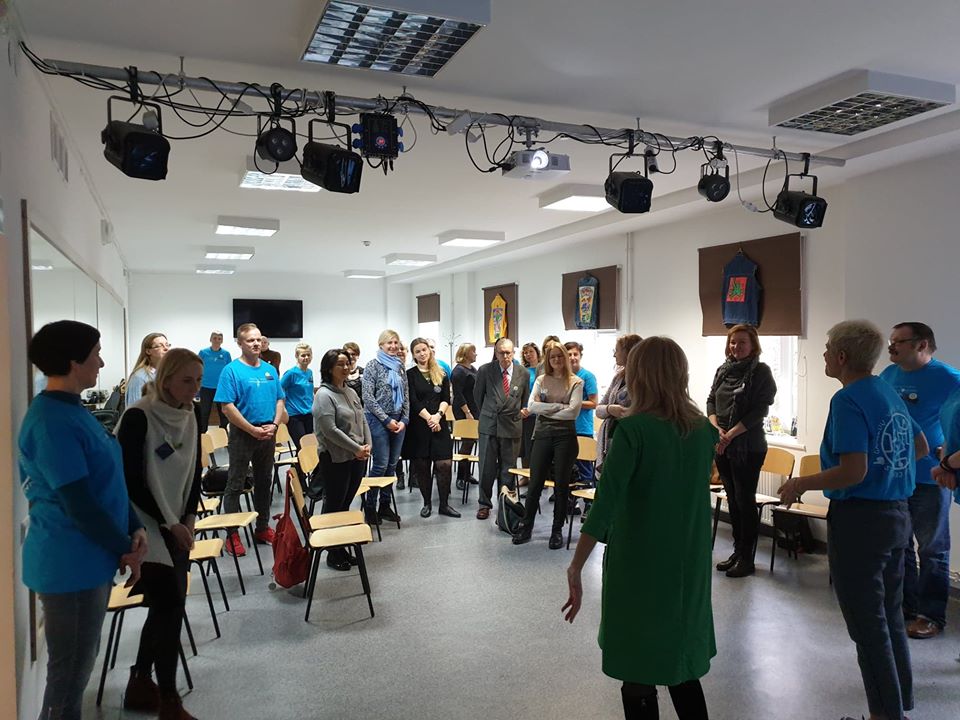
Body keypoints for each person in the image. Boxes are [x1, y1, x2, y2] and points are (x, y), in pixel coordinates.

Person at [563, 337, 718, 720]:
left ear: (640, 375)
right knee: (680, 660)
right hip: (688, 561)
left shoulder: (634, 431)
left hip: (640, 563)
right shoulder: (702, 430)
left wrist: (576, 566)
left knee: (638, 665)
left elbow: (605, 505)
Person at [778, 320, 924, 720]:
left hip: (861, 522)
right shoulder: (886, 391)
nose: (823, 355)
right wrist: (889, 472)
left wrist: (800, 483)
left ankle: (885, 715)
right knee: (890, 617)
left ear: (842, 356)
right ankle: (898, 705)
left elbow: (853, 471)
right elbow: (921, 445)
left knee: (867, 625)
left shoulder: (847, 400)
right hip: (897, 515)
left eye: (827, 349)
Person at [19, 320, 147, 720]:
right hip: (69, 562)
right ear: (74, 362)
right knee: (69, 674)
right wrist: (125, 546)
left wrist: (134, 525)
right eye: (96, 355)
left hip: (90, 557)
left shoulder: (74, 410)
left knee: (79, 664)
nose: (101, 363)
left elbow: (108, 480)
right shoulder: (50, 421)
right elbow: (79, 503)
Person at [116, 348, 203, 720]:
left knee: (167, 607)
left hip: (177, 524)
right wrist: (169, 523)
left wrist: (189, 517)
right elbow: (131, 481)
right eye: (187, 380)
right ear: (166, 380)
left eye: (198, 380)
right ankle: (169, 699)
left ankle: (140, 681)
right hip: (145, 526)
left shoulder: (192, 413)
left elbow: (195, 470)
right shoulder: (139, 417)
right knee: (170, 607)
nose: (195, 388)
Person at [878, 322, 960, 640]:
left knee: (932, 548)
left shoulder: (949, 379)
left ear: (922, 344)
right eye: (891, 340)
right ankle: (906, 608)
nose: (891, 347)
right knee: (899, 545)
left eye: (899, 341)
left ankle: (931, 616)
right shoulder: (888, 375)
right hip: (897, 476)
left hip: (931, 477)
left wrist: (949, 457)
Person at [705, 324, 776, 578]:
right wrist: (716, 430)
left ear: (753, 345)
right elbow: (711, 401)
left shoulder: (761, 372)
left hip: (748, 447)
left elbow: (760, 411)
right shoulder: (723, 370)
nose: (736, 347)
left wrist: (731, 434)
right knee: (733, 500)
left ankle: (747, 558)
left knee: (745, 502)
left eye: (742, 342)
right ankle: (737, 551)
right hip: (722, 445)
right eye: (733, 342)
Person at [214, 323, 286, 556]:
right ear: (239, 343)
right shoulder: (231, 371)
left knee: (264, 482)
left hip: (268, 432)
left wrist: (274, 425)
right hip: (243, 434)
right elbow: (227, 407)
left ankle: (262, 528)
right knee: (235, 483)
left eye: (258, 339)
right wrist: (251, 430)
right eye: (250, 340)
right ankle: (232, 534)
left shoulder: (270, 370)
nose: (256, 344)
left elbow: (279, 400)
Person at [514, 343, 584, 548]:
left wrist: (545, 410)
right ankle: (526, 527)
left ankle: (556, 530)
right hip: (542, 435)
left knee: (561, 485)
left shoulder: (576, 382)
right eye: (552, 357)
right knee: (535, 483)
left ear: (565, 358)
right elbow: (531, 406)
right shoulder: (541, 379)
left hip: (565, 437)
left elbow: (573, 413)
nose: (556, 360)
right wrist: (558, 406)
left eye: (560, 356)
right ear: (548, 359)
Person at [312, 349, 372, 570]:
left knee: (345, 503)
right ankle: (332, 551)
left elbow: (362, 419)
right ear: (329, 368)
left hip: (357, 456)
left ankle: (341, 547)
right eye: (340, 364)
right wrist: (357, 448)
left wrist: (368, 445)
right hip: (336, 458)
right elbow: (330, 430)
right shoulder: (324, 395)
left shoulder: (350, 391)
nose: (346, 368)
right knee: (334, 504)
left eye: (347, 363)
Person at [403, 338, 461, 519]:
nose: (422, 353)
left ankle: (444, 505)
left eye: (424, 349)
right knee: (422, 466)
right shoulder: (410, 375)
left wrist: (438, 416)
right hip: (419, 426)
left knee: (444, 464)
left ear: (429, 350)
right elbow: (413, 400)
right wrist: (429, 418)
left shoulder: (441, 373)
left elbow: (446, 398)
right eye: (418, 351)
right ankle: (427, 503)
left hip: (439, 424)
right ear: (413, 355)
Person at [473, 338, 531, 520]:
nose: (505, 356)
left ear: (513, 353)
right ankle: (484, 504)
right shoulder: (485, 370)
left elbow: (525, 399)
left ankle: (506, 504)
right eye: (501, 352)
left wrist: (523, 411)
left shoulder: (523, 373)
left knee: (509, 468)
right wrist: (488, 414)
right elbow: (477, 397)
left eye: (508, 352)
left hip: (512, 425)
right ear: (496, 353)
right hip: (489, 425)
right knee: (486, 467)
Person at [361, 329, 410, 525]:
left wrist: (404, 419)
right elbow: (368, 398)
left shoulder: (400, 366)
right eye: (389, 342)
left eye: (396, 342)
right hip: (377, 419)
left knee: (392, 464)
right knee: (380, 464)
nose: (393, 346)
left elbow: (406, 394)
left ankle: (385, 505)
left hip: (398, 420)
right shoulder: (372, 366)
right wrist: (386, 420)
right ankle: (370, 507)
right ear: (381, 345)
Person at [596, 334, 643, 474]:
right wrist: (610, 409)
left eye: (616, 350)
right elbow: (599, 409)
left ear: (629, 352)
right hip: (609, 437)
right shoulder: (618, 378)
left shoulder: (643, 380)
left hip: (629, 438)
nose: (614, 355)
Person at [565, 342, 599, 486]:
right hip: (565, 428)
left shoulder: (587, 376)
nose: (572, 357)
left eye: (575, 354)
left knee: (584, 472)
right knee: (568, 471)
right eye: (569, 354)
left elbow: (594, 403)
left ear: (580, 356)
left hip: (582, 429)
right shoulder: (562, 377)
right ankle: (571, 500)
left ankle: (588, 498)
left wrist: (573, 403)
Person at [451, 343, 479, 486]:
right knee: (467, 443)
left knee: (471, 442)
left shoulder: (472, 369)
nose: (476, 354)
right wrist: (467, 412)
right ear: (466, 354)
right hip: (464, 410)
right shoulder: (458, 371)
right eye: (473, 351)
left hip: (473, 408)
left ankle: (467, 474)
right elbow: (458, 394)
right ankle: (461, 477)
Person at [281, 343, 316, 451]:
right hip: (295, 414)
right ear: (297, 356)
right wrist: (283, 408)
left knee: (309, 447)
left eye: (308, 355)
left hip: (308, 413)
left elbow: (309, 391)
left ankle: (299, 463)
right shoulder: (291, 373)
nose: (306, 358)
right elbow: (279, 389)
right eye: (303, 355)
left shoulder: (310, 372)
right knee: (302, 447)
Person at [197, 331, 231, 431]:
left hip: (221, 388)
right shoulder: (203, 352)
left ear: (222, 341)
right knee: (204, 412)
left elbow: (229, 370)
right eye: (215, 338)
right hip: (206, 387)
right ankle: (202, 434)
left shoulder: (226, 354)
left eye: (219, 338)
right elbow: (197, 366)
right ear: (210, 339)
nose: (217, 340)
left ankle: (224, 433)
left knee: (223, 413)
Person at [126, 332, 170, 407]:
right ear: (148, 351)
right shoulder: (139, 378)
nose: (166, 348)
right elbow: (134, 410)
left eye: (167, 345)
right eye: (160, 346)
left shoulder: (165, 375)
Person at [519, 342, 541, 467]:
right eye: (525, 352)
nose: (528, 354)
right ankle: (525, 474)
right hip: (525, 414)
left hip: (539, 413)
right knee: (525, 447)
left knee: (537, 448)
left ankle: (538, 475)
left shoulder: (543, 370)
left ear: (537, 352)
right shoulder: (522, 371)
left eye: (531, 351)